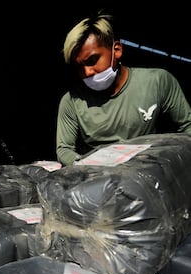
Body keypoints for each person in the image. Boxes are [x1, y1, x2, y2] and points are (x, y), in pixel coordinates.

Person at [56, 12, 191, 166]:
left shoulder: (157, 82)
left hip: (147, 175)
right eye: (79, 67)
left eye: (92, 60)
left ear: (117, 50)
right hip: (100, 181)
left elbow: (187, 126)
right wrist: (87, 167)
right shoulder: (71, 101)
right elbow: (64, 149)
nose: (86, 72)